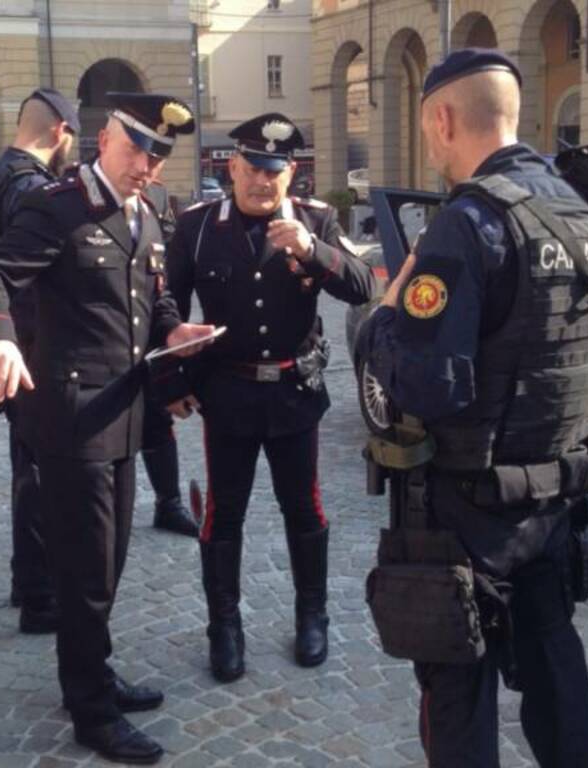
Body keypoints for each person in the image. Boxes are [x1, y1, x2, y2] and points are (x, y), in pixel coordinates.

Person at [357, 49, 588, 767]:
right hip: (557, 495)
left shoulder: (469, 222)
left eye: (427, 131)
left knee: (457, 691)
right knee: (554, 666)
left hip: (464, 509)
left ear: (442, 120)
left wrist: (381, 323)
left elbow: (427, 385)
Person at [0, 92, 214, 765]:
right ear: (105, 137)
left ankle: (93, 675)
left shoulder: (153, 212)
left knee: (109, 563)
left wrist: (176, 331)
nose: (148, 166)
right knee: (84, 571)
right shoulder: (57, 206)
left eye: (159, 156)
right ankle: (91, 712)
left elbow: (153, 301)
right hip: (73, 421)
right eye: (138, 149)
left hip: (128, 415)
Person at [163, 113, 375, 682]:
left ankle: (314, 615)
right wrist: (174, 383)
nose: (263, 182)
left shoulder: (317, 221)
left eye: (275, 172)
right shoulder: (198, 226)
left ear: (291, 174)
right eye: (253, 168)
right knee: (224, 515)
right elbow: (167, 308)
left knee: (303, 510)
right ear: (231, 166)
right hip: (227, 393)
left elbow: (364, 287)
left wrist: (313, 252)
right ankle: (224, 627)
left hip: (293, 394)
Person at [0, 87, 79, 634]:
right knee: (43, 481)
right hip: (33, 348)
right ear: (60, 132)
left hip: (6, 344)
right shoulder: (33, 188)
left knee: (26, 471)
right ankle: (41, 598)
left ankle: (24, 581)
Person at [140, 182, 199, 538]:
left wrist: (173, 368)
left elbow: (171, 283)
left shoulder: (159, 196)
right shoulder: (78, 195)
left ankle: (169, 503)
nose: (150, 165)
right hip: (105, 336)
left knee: (157, 420)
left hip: (155, 327)